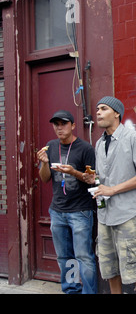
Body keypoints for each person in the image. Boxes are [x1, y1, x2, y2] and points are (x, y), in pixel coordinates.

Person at [83, 96, 136, 294]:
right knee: (110, 268)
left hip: (128, 215)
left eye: (103, 108)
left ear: (117, 113)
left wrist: (112, 189)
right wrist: (94, 179)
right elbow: (105, 178)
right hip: (105, 216)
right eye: (97, 109)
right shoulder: (98, 143)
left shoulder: (133, 138)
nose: (98, 112)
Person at [36, 110, 97, 294]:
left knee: (84, 257)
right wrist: (45, 163)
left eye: (63, 124)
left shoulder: (85, 148)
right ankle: (71, 290)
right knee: (64, 257)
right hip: (57, 211)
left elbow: (92, 179)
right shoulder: (51, 146)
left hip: (80, 211)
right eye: (56, 124)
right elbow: (45, 178)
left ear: (73, 125)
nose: (59, 128)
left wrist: (73, 172)